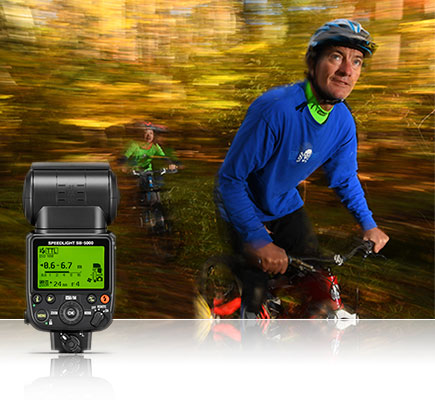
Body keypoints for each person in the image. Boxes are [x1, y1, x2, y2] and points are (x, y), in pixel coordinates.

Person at [215, 19, 389, 318]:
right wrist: (258, 239)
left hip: (285, 205)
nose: (347, 70)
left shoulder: (343, 122)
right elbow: (230, 180)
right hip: (242, 207)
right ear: (313, 61)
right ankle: (234, 328)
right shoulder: (275, 109)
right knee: (254, 297)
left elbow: (344, 178)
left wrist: (368, 224)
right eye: (336, 56)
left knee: (317, 281)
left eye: (356, 61)